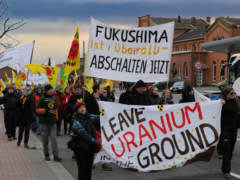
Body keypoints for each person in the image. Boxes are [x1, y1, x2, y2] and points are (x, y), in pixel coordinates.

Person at [84, 83, 113, 171]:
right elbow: (86, 111)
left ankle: (105, 163)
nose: (103, 89)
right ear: (97, 89)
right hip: (92, 125)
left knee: (104, 143)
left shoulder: (103, 99)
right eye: (101, 88)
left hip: (102, 124)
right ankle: (90, 161)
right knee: (92, 143)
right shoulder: (89, 99)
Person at [72, 102, 100, 180]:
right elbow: (85, 135)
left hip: (90, 148)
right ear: (77, 110)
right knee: (82, 170)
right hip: (80, 148)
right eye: (80, 108)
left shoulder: (90, 117)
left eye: (84, 107)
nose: (82, 109)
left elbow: (100, 117)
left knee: (88, 169)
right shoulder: (76, 122)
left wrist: (105, 110)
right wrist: (96, 142)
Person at [36, 84, 61, 161]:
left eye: (52, 89)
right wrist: (44, 110)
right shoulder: (42, 99)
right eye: (50, 89)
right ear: (46, 91)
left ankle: (55, 155)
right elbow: (37, 110)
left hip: (52, 122)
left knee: (54, 139)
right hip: (44, 123)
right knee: (45, 139)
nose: (52, 91)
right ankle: (46, 155)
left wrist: (56, 118)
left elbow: (55, 109)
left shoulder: (54, 98)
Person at [220, 87, 239, 179]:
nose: (233, 95)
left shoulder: (236, 102)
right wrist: (220, 103)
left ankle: (224, 167)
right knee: (226, 150)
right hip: (225, 131)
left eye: (234, 93)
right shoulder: (221, 103)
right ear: (226, 94)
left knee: (230, 151)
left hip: (233, 130)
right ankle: (227, 171)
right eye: (231, 93)